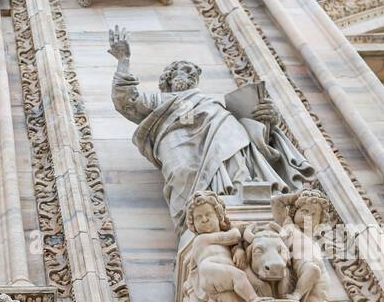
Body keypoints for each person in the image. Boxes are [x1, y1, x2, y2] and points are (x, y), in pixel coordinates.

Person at [108, 26, 314, 227]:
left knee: (235, 150)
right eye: (184, 70)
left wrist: (266, 120)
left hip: (221, 129)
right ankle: (191, 223)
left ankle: (237, 196)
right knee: (183, 172)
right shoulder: (159, 99)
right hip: (175, 140)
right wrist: (123, 61)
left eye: (193, 74)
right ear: (169, 78)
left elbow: (255, 136)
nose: (189, 75)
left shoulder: (208, 101)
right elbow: (127, 101)